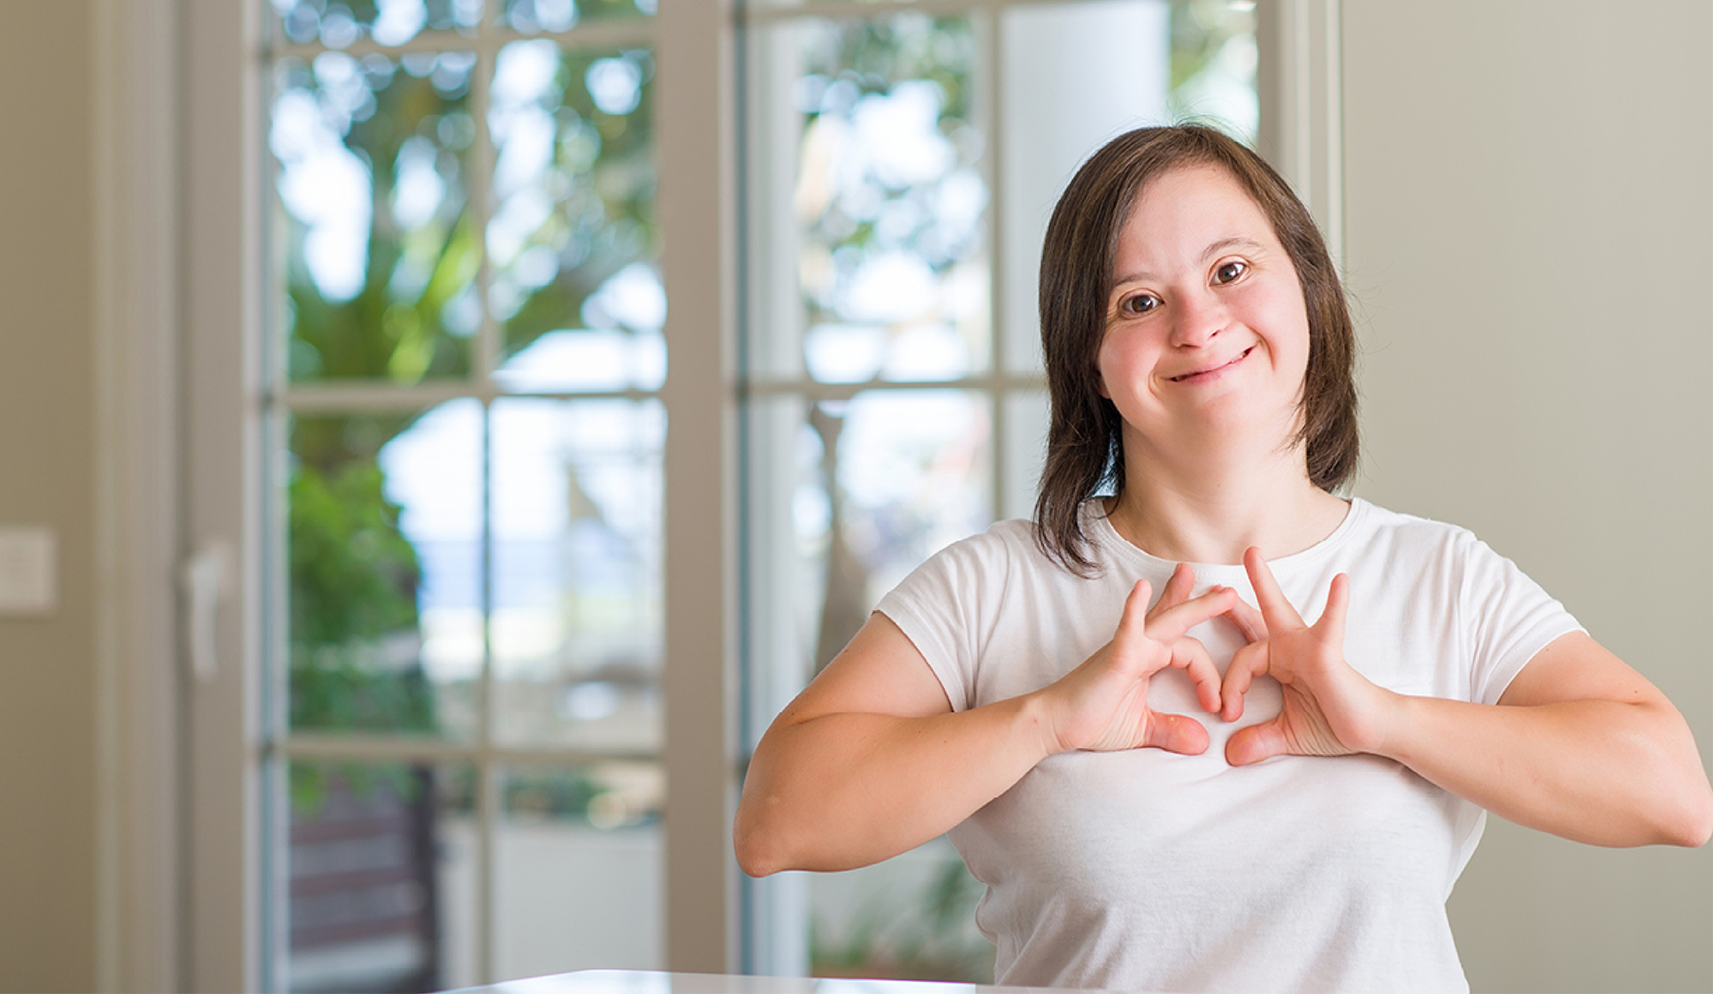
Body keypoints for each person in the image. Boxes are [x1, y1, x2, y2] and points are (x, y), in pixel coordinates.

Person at [733, 124, 1713, 993]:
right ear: (1091, 361)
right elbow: (777, 821)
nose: (1196, 324)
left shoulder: (1440, 576)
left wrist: (1384, 719)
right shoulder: (998, 585)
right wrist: (1046, 718)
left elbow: (1670, 792)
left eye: (1232, 270)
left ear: (1308, 289)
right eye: (1137, 299)